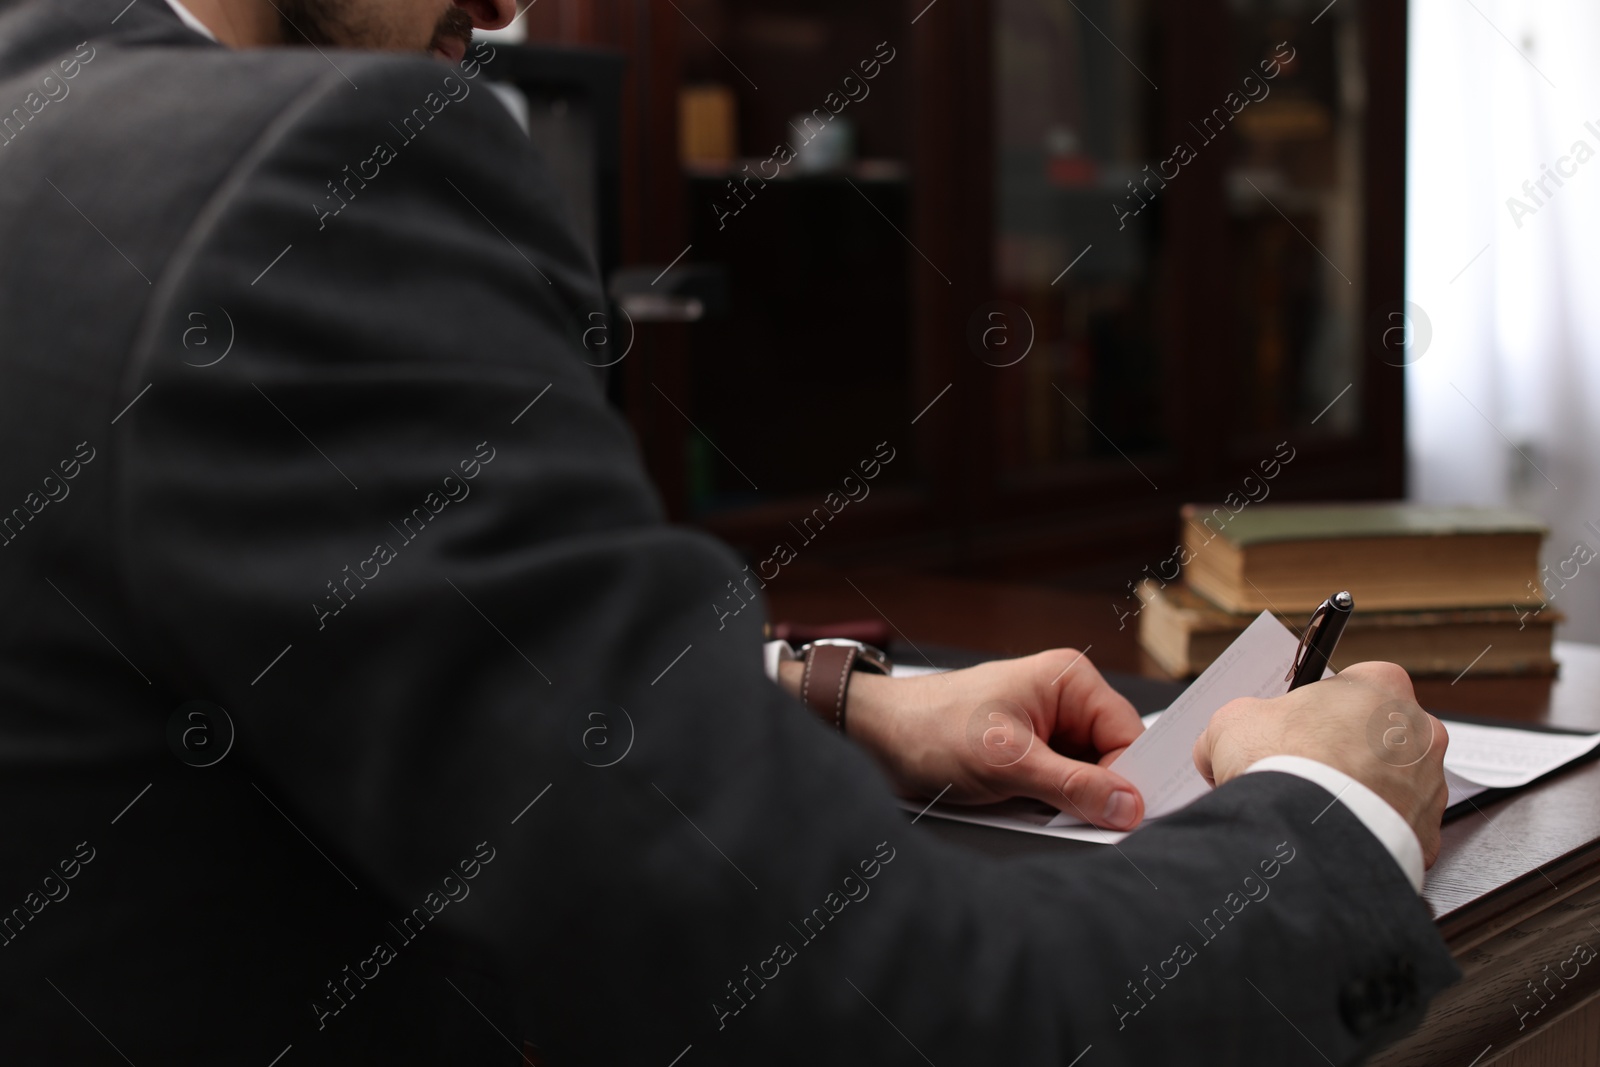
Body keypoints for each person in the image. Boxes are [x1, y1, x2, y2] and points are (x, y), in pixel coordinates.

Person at [0, 1, 1456, 1063]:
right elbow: (901, 1018)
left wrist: (825, 700)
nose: (509, 3)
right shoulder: (299, 180)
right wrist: (1330, 813)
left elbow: (222, 655)